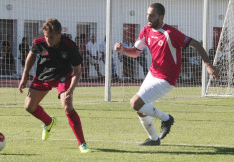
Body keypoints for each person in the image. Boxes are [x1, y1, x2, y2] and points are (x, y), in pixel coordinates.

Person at [114, 3, 219, 146]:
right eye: (147, 15)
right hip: (152, 74)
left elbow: (197, 44)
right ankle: (154, 139)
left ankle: (166, 118)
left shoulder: (171, 33)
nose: (148, 18)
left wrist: (207, 64)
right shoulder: (146, 30)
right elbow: (135, 52)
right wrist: (123, 50)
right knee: (141, 108)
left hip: (166, 79)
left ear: (161, 17)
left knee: (135, 103)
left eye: (152, 15)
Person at [18, 18, 91, 153]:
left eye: (51, 37)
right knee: (29, 107)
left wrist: (70, 90)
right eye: (46, 36)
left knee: (67, 106)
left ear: (59, 34)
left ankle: (82, 144)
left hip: (62, 77)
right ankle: (48, 122)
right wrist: (24, 77)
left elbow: (78, 71)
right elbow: (31, 57)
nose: (47, 40)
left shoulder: (70, 46)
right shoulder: (39, 43)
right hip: (43, 76)